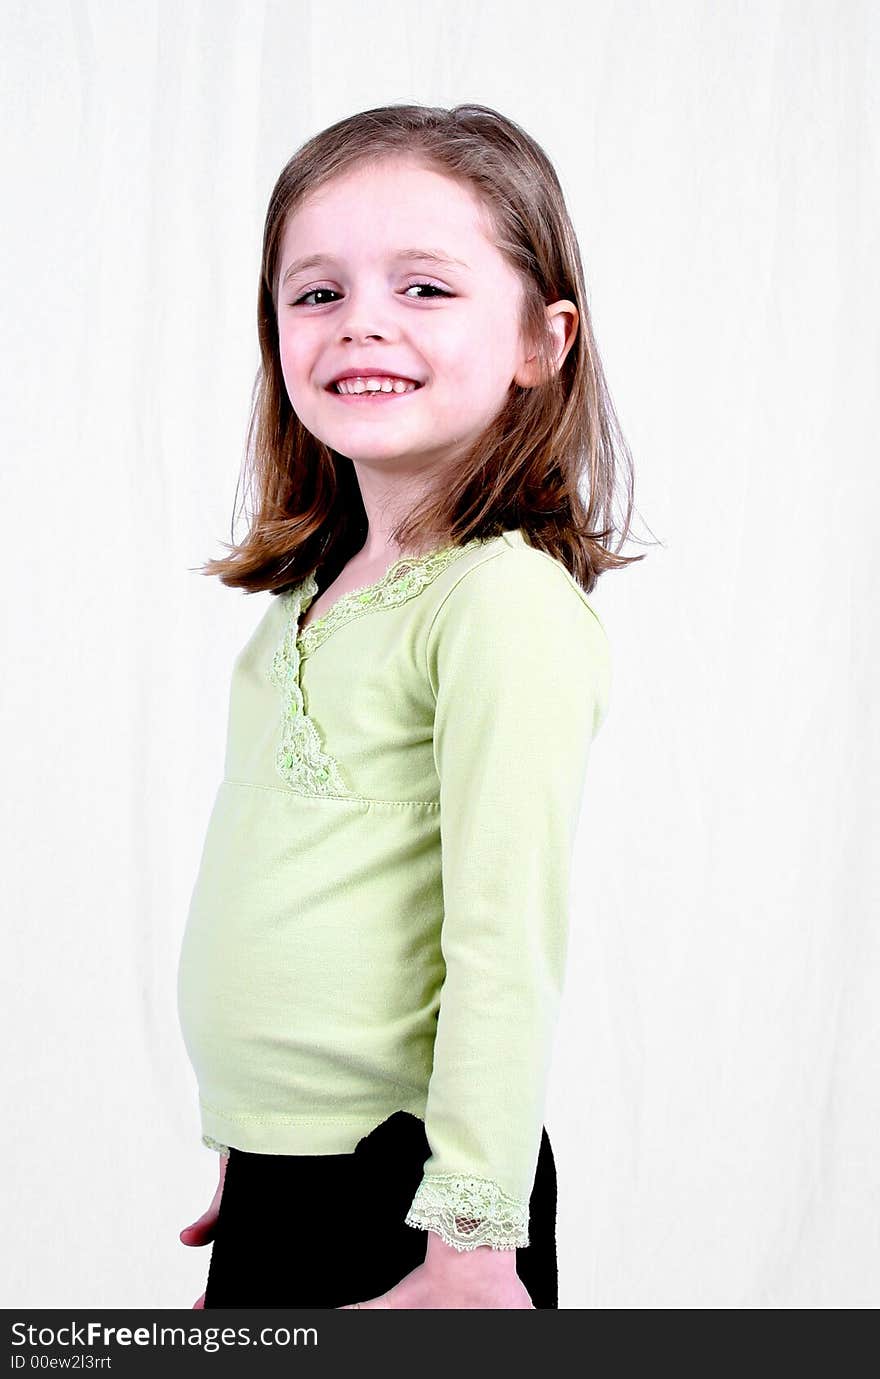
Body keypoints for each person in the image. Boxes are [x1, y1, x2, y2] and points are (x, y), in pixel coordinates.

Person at [176, 101, 646, 1311]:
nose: (361, 322)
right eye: (316, 292)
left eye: (425, 288)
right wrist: (260, 1131)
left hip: (419, 1200)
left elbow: (503, 943)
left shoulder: (499, 605)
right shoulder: (310, 595)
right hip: (292, 1173)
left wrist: (474, 1234)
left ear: (543, 341)